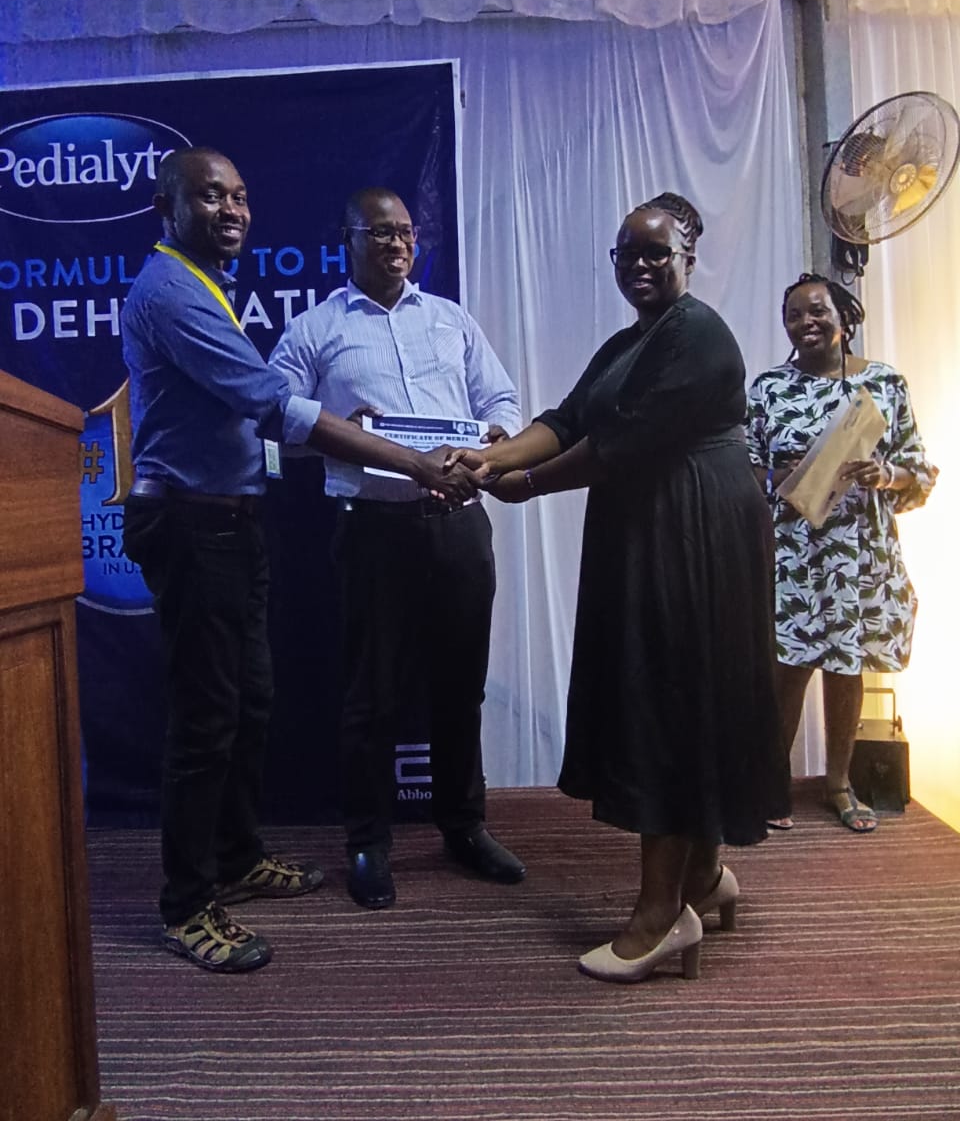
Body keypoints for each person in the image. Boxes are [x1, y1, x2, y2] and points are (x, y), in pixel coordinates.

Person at [121, 150, 478, 971]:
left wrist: (356, 438)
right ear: (167, 207)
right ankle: (186, 904)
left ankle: (237, 858)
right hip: (192, 524)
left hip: (232, 521)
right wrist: (412, 462)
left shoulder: (202, 283)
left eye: (240, 195)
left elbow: (267, 425)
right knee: (207, 720)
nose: (232, 209)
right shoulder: (172, 291)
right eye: (210, 196)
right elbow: (273, 406)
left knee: (249, 702)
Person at [452, 192, 789, 983]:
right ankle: (705, 877)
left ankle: (660, 915)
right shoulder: (629, 342)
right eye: (627, 253)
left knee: (668, 701)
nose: (639, 264)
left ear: (688, 257)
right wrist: (492, 458)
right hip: (653, 524)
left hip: (694, 531)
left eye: (655, 252)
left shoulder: (698, 334)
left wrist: (526, 485)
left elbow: (615, 444)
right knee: (680, 695)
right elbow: (569, 418)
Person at [269, 187, 526, 910]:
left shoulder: (450, 319)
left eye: (406, 232)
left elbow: (500, 401)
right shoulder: (315, 329)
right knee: (372, 696)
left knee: (461, 688)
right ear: (347, 240)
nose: (397, 244)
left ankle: (464, 827)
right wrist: (340, 431)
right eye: (380, 233)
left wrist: (495, 441)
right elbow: (276, 420)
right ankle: (367, 842)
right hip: (373, 530)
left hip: (459, 525)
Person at [746, 273, 937, 833]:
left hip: (858, 550)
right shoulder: (768, 388)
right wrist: (777, 477)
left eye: (817, 311)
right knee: (787, 664)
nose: (805, 322)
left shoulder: (884, 383)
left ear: (844, 319)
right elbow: (743, 464)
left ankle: (839, 784)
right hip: (792, 550)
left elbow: (918, 468)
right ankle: (771, 783)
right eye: (793, 315)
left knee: (846, 665)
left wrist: (885, 473)